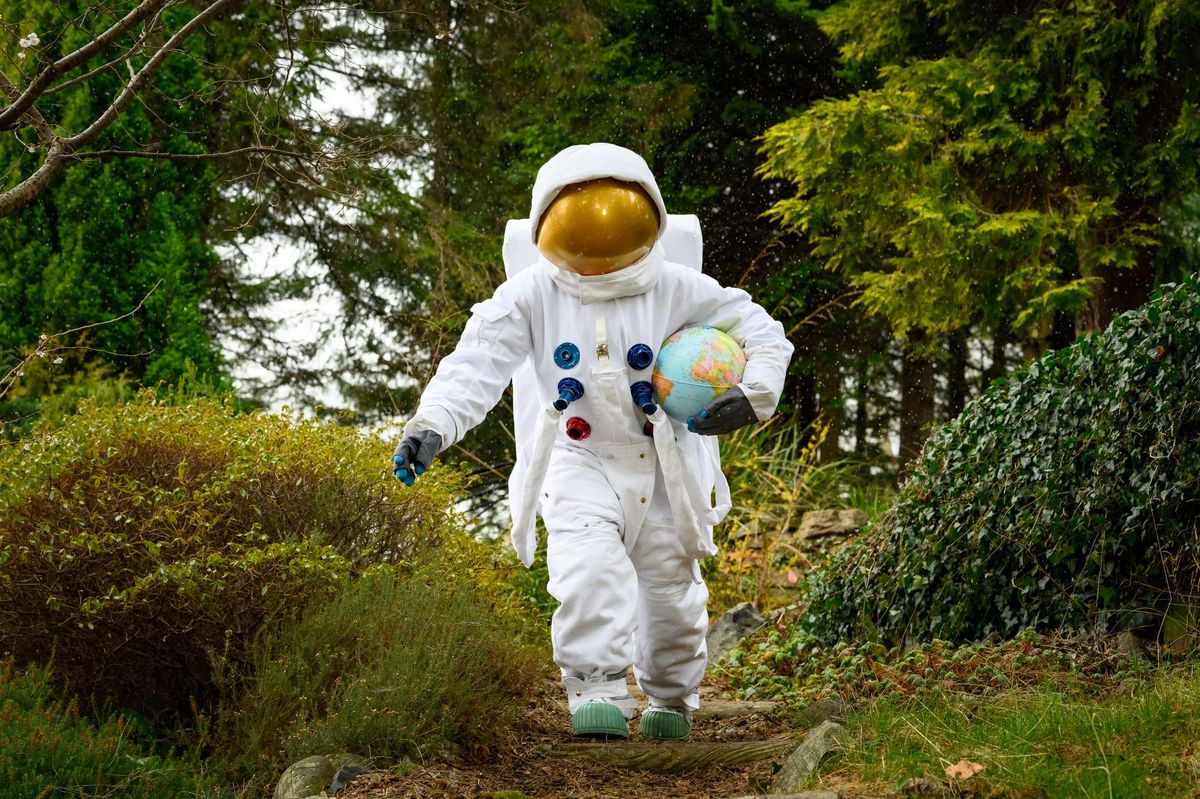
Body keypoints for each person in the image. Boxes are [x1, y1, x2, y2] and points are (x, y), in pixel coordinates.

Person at [393, 143, 793, 740]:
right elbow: (474, 363)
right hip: (578, 457)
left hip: (662, 460)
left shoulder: (678, 286)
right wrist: (432, 424)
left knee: (670, 589)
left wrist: (753, 395)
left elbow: (761, 332)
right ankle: (596, 690)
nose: (600, 257)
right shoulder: (532, 294)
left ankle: (670, 700)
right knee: (586, 571)